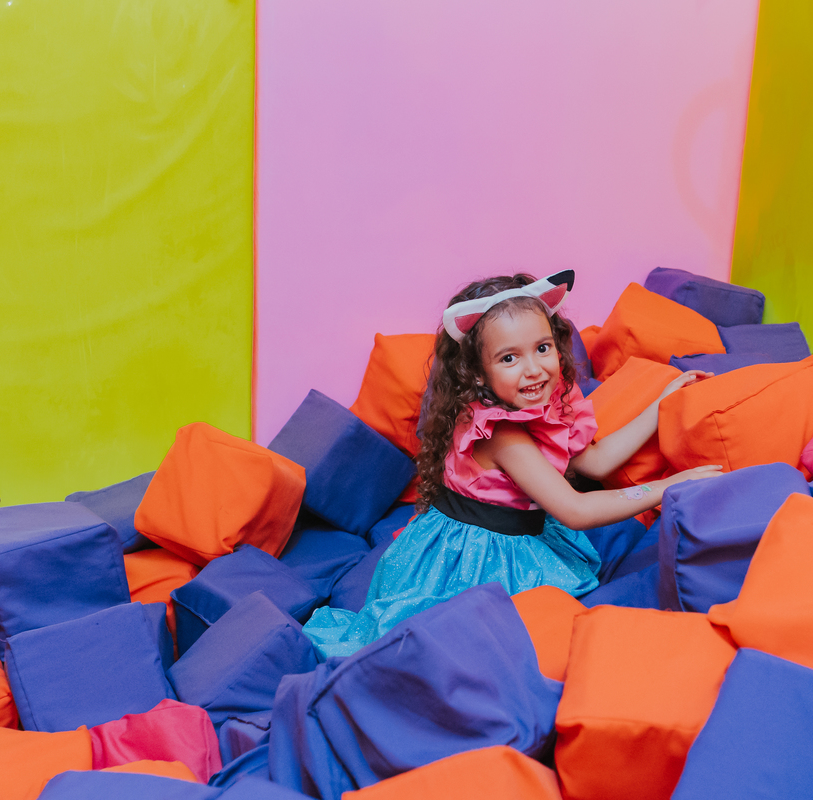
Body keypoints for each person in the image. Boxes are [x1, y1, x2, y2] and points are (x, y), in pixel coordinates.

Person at [302, 270, 722, 658]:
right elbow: (575, 510)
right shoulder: (503, 435)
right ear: (479, 375)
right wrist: (668, 486)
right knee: (480, 649)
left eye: (542, 349)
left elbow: (593, 461)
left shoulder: (541, 405)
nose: (534, 369)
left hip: (512, 530)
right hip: (473, 559)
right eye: (509, 358)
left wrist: (661, 405)